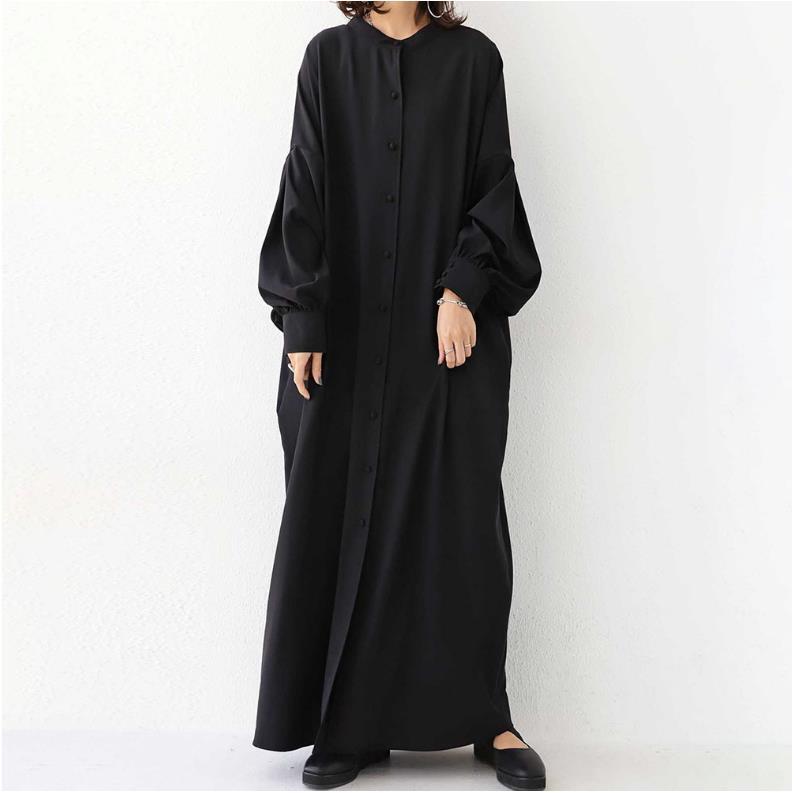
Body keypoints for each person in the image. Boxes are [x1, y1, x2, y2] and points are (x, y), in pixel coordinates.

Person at [254, 1, 544, 789]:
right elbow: (305, 182)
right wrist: (302, 315)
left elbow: (493, 184)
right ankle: (349, 724)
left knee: (462, 525)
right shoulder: (327, 60)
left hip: (448, 341)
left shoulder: (474, 62)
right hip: (343, 343)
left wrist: (461, 288)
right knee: (341, 513)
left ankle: (489, 719)